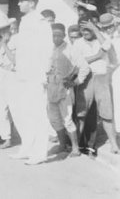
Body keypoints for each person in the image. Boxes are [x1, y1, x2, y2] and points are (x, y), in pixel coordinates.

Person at [12, 0, 54, 165]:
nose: (19, 3)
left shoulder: (40, 21)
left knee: (37, 114)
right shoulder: (26, 20)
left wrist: (44, 72)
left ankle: (40, 153)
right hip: (24, 73)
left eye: (22, 1)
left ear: (31, 3)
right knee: (25, 113)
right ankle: (27, 148)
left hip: (36, 74)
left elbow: (47, 48)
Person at [74, 19, 119, 155]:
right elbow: (77, 61)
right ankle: (75, 146)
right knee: (81, 113)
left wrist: (95, 29)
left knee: (106, 114)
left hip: (102, 78)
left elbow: (108, 48)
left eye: (89, 29)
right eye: (83, 29)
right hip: (86, 79)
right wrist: (98, 56)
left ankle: (113, 144)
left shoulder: (102, 38)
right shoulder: (78, 43)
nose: (86, 32)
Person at [48, 23, 89, 157]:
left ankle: (75, 148)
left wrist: (75, 82)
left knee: (67, 119)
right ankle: (62, 145)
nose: (56, 38)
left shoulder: (71, 50)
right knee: (54, 119)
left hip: (64, 89)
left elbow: (84, 68)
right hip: (51, 88)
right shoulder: (49, 48)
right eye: (54, 35)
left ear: (64, 36)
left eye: (59, 35)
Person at [0, 17, 17, 149]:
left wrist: (5, 45)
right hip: (1, 75)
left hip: (13, 75)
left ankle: (21, 135)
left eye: (1, 30)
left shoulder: (16, 40)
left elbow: (15, 60)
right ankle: (6, 138)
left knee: (15, 107)